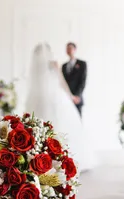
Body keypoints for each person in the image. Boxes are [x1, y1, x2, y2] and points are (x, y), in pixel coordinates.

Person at [25, 43, 93, 171]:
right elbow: (62, 82)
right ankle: (61, 160)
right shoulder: (54, 64)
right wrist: (70, 96)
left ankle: (41, 161)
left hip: (38, 99)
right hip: (56, 98)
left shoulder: (36, 67)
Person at [62, 42, 87, 116]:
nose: (68, 50)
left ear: (75, 49)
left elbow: (83, 81)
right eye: (67, 48)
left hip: (77, 98)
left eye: (70, 48)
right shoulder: (64, 66)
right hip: (66, 98)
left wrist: (77, 95)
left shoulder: (82, 64)